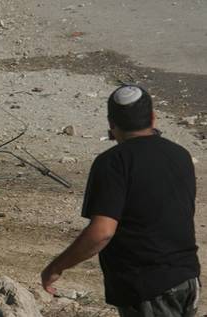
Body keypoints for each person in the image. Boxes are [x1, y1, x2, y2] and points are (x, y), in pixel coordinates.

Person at [41, 85, 201, 316]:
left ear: (111, 124)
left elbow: (102, 232)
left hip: (149, 289)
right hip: (187, 279)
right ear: (153, 118)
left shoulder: (113, 163)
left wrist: (56, 268)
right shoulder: (180, 155)